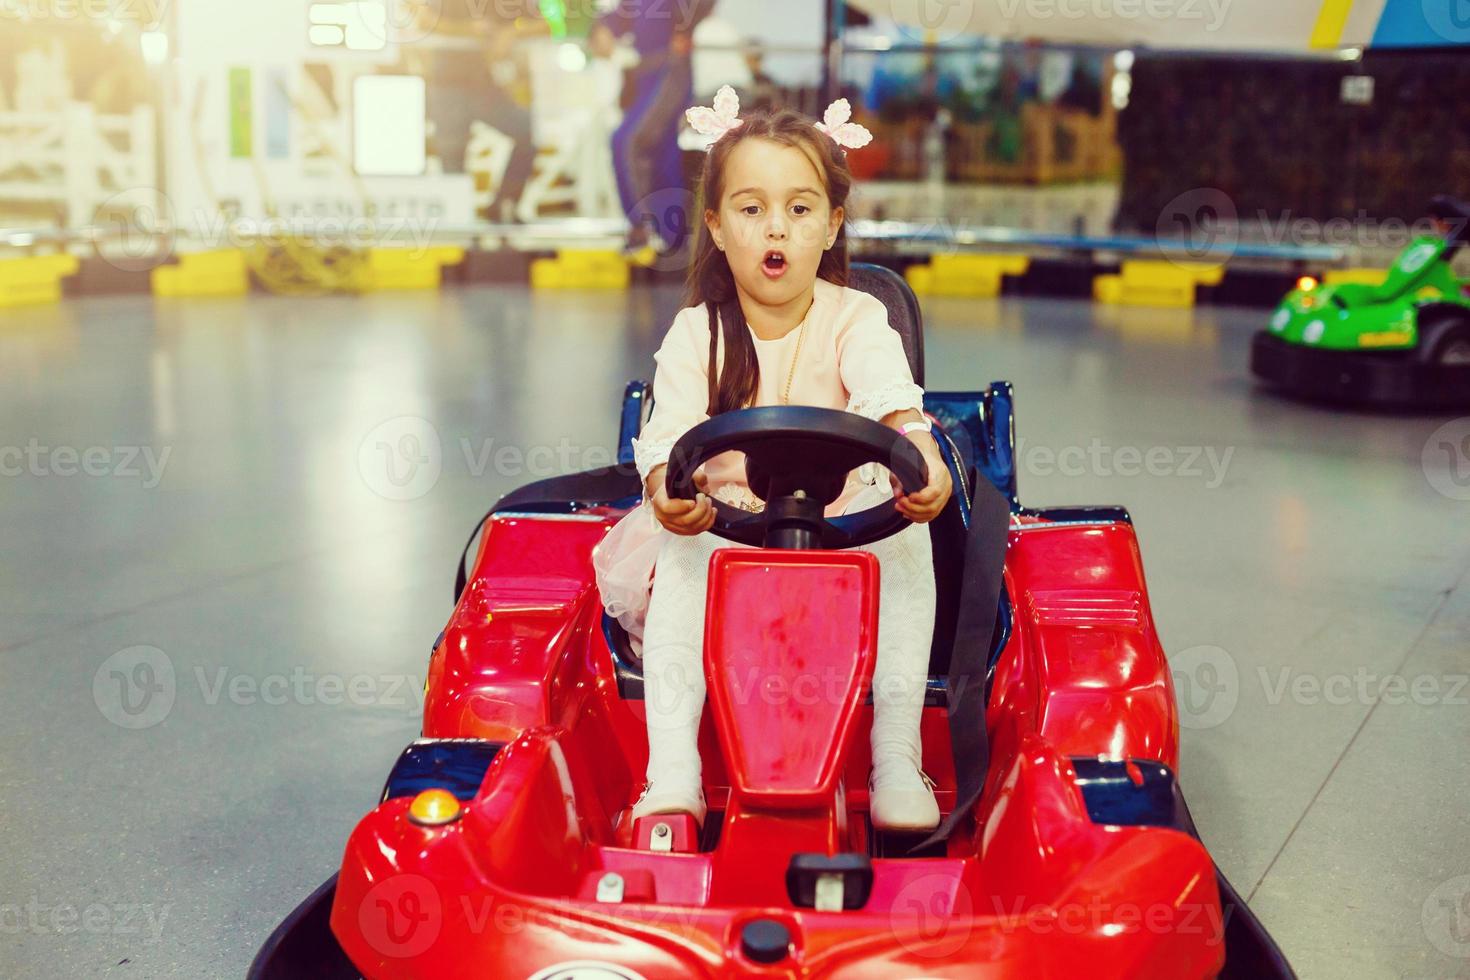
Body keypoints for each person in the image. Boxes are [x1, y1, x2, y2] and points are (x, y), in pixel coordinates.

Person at [592, 87, 953, 833]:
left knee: (911, 541)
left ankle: (895, 755)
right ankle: (673, 772)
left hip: (849, 524)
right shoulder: (698, 332)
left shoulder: (858, 317)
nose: (776, 228)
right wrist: (667, 490)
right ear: (718, 228)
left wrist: (920, 451)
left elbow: (893, 398)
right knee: (682, 557)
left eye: (800, 207)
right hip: (728, 528)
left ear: (832, 224)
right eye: (752, 209)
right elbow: (669, 435)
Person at [591, 0, 716, 253]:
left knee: (628, 142)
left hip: (668, 68)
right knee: (663, 153)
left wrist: (684, 27)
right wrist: (601, 28)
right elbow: (623, 13)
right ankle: (672, 237)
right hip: (645, 72)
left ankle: (644, 227)